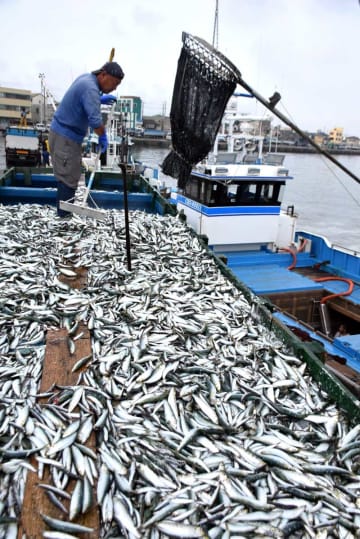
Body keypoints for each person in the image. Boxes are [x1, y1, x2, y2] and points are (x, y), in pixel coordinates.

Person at [49, 61, 124, 217]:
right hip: (66, 138)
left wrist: (98, 98)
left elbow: (85, 99)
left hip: (65, 136)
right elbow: (96, 123)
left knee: (70, 175)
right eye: (114, 83)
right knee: (68, 178)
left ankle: (64, 213)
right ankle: (64, 218)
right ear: (103, 75)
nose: (115, 88)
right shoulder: (90, 89)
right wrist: (103, 137)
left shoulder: (87, 79)